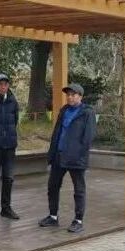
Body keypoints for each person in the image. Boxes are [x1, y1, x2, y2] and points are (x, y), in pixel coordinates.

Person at [39, 82, 96, 233]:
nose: (70, 97)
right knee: (53, 186)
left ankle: (78, 220)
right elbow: (57, 133)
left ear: (80, 96)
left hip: (76, 158)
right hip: (59, 155)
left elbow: (88, 137)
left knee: (79, 189)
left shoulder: (87, 112)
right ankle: (53, 217)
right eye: (68, 95)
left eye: (73, 95)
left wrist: (79, 155)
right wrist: (52, 153)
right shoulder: (64, 110)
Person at [0, 73, 19, 220]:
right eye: (0, 84)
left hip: (9, 146)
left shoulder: (13, 101)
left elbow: (15, 120)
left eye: (5, 84)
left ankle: (6, 208)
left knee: (8, 178)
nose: (3, 86)